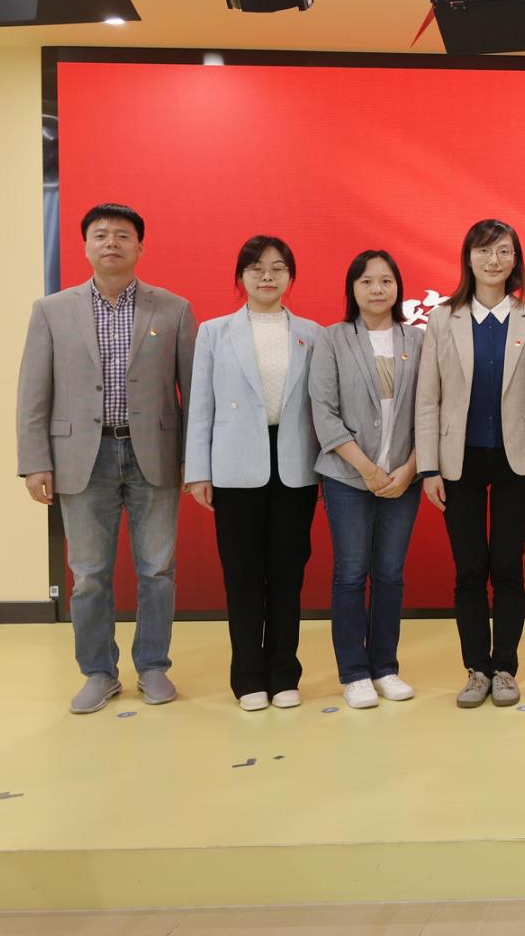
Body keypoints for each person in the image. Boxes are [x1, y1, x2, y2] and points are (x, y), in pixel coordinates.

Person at [17, 203, 197, 714]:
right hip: (81, 456)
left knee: (157, 570)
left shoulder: (174, 309)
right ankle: (98, 672)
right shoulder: (51, 310)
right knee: (90, 573)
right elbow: (33, 390)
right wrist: (35, 460)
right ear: (85, 246)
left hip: (154, 454)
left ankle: (154, 666)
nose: (111, 242)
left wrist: (195, 459)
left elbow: (194, 392)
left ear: (140, 246)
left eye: (122, 235)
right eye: (100, 235)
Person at [415, 219, 525, 710]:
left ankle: (505, 667)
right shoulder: (442, 319)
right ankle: (476, 668)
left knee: (509, 566)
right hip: (459, 461)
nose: (494, 260)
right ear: (468, 258)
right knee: (470, 568)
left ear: (516, 260)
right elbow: (427, 398)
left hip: (518, 458)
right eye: (484, 251)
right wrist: (428, 467)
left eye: (504, 251)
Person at [184, 236, 321, 711]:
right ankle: (247, 678)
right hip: (234, 466)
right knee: (241, 575)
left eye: (278, 268)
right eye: (256, 267)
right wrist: (198, 470)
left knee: (287, 574)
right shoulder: (214, 332)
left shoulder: (312, 334)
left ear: (290, 277)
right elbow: (200, 406)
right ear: (240, 276)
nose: (267, 276)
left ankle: (284, 674)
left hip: (295, 465)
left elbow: (321, 406)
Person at [311, 250, 424, 710]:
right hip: (348, 476)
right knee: (351, 574)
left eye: (386, 281)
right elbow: (324, 412)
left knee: (391, 574)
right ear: (352, 289)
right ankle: (354, 673)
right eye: (366, 281)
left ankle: (385, 667)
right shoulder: (332, 338)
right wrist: (367, 469)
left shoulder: (418, 339)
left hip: (405, 476)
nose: (377, 289)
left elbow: (431, 410)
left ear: (398, 287)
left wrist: (410, 468)